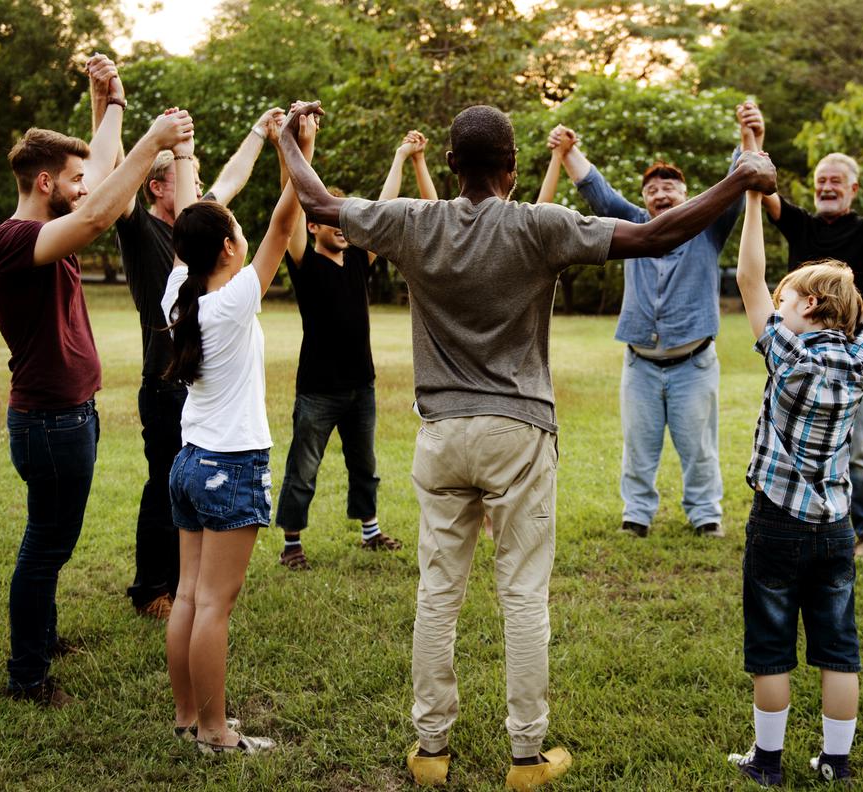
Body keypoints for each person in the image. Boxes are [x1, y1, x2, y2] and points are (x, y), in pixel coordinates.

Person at [278, 101, 777, 789]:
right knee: (522, 595)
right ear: (513, 168)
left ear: (451, 165)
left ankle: (430, 751)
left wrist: (286, 137)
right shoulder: (542, 226)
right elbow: (658, 236)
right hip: (519, 432)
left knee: (437, 594)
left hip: (443, 432)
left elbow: (317, 201)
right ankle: (525, 756)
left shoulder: (414, 222)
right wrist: (740, 177)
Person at [0, 82, 193, 706]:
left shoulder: (45, 225)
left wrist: (114, 107)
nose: (85, 187)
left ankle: (42, 640)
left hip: (69, 416)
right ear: (45, 183)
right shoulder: (13, 241)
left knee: (51, 539)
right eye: (73, 180)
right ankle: (27, 677)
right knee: (45, 544)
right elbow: (102, 209)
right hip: (49, 422)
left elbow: (102, 174)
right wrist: (154, 140)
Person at [725, 144, 863, 786]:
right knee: (839, 648)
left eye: (786, 301)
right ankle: (835, 763)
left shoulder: (786, 353)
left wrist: (752, 197)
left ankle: (768, 763)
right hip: (835, 526)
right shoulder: (862, 359)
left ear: (808, 311)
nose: (776, 306)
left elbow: (749, 278)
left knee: (771, 644)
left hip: (775, 522)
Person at [86, 54, 286, 620]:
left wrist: (256, 133)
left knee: (188, 485)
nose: (197, 188)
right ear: (154, 186)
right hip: (165, 379)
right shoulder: (137, 222)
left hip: (199, 378)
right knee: (164, 484)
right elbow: (109, 175)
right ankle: (152, 587)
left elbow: (230, 179)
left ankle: (186, 584)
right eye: (182, 178)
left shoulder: (194, 237)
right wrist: (106, 105)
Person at [159, 109, 306, 754]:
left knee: (190, 594)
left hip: (189, 463)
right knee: (215, 603)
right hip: (230, 465)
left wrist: (192, 155)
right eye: (234, 232)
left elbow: (203, 206)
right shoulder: (236, 297)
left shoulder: (178, 292)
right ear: (226, 248)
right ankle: (216, 735)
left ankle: (189, 718)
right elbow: (283, 219)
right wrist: (297, 149)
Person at [548, 105, 760, 539]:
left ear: (685, 194)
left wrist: (747, 136)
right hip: (640, 364)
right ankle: (637, 516)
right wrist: (567, 150)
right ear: (644, 198)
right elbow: (597, 191)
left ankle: (705, 516)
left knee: (699, 447)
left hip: (693, 364)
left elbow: (736, 184)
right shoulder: (632, 226)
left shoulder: (708, 228)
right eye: (652, 189)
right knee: (638, 449)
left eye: (670, 186)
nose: (661, 194)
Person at [753, 105, 863, 557]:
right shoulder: (803, 223)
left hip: (837, 351)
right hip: (804, 347)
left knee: (858, 446)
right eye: (820, 181)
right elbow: (762, 190)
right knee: (793, 433)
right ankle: (811, 515)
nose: (826, 187)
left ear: (851, 188)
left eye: (835, 181)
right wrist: (753, 141)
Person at [276, 122, 439, 569]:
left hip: (360, 387)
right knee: (303, 471)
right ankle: (292, 544)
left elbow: (383, 209)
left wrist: (400, 158)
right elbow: (286, 208)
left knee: (364, 465)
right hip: (318, 389)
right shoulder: (304, 262)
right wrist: (286, 149)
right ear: (313, 226)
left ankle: (370, 531)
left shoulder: (357, 262)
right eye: (333, 220)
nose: (343, 227)